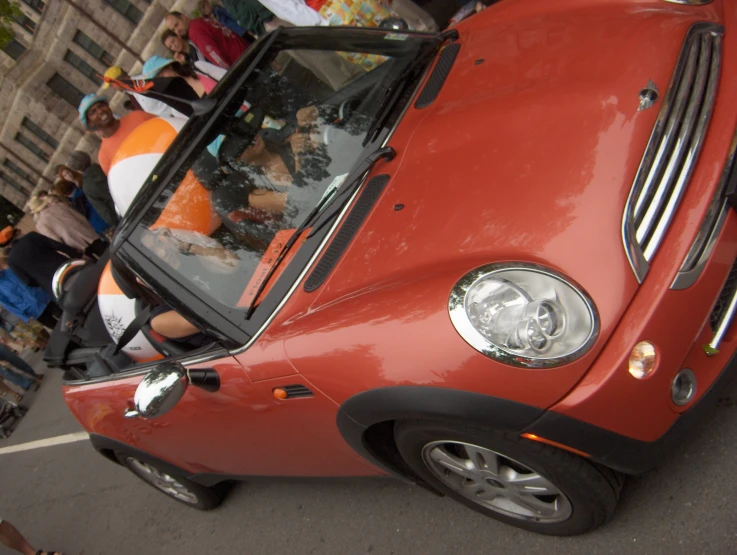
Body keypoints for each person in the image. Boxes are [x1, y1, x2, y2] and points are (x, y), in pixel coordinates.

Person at [77, 94, 154, 175]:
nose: (100, 111)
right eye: (93, 112)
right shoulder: (104, 156)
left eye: (101, 106)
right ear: (90, 123)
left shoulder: (138, 116)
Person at [3, 231, 83, 298]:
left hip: (54, 287)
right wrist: (78, 255)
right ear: (16, 233)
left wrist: (43, 281)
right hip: (68, 269)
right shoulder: (31, 236)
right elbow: (56, 245)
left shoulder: (11, 261)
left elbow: (28, 281)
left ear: (6, 246)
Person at [27, 193, 106, 258]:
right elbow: (80, 218)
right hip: (87, 233)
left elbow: (55, 240)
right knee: (107, 251)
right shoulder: (59, 206)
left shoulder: (41, 224)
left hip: (74, 244)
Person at [165, 11, 250, 69]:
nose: (177, 30)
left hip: (241, 61)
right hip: (244, 52)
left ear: (183, 17)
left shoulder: (195, 31)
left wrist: (230, 73)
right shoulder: (199, 21)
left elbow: (214, 54)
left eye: (177, 25)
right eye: (173, 30)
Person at [103, 66, 188, 119]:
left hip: (182, 114)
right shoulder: (132, 92)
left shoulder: (144, 81)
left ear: (119, 81)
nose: (113, 89)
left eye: (112, 85)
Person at [64, 151, 119, 228]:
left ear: (76, 170)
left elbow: (106, 213)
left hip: (121, 210)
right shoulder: (104, 165)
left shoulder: (87, 187)